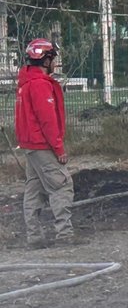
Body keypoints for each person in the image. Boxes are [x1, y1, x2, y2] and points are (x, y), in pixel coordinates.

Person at [15, 38, 79, 248]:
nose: (55, 63)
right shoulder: (41, 86)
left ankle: (34, 237)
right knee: (61, 185)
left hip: (30, 147)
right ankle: (64, 234)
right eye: (53, 58)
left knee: (34, 189)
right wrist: (58, 148)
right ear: (45, 60)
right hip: (42, 145)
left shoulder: (26, 83)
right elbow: (47, 120)